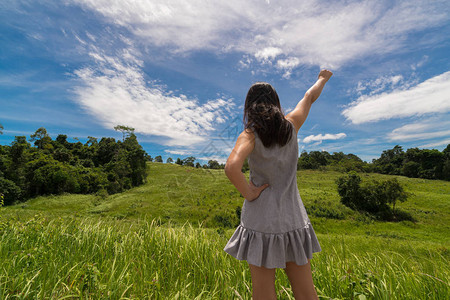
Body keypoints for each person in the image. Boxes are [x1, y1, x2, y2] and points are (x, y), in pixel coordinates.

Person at [223, 69, 333, 300]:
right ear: (276, 103)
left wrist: (249, 193)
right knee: (305, 291)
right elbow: (309, 97)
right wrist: (322, 78)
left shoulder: (250, 135)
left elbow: (232, 167)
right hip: (293, 217)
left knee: (263, 293)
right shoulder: (291, 126)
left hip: (260, 221)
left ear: (249, 106)